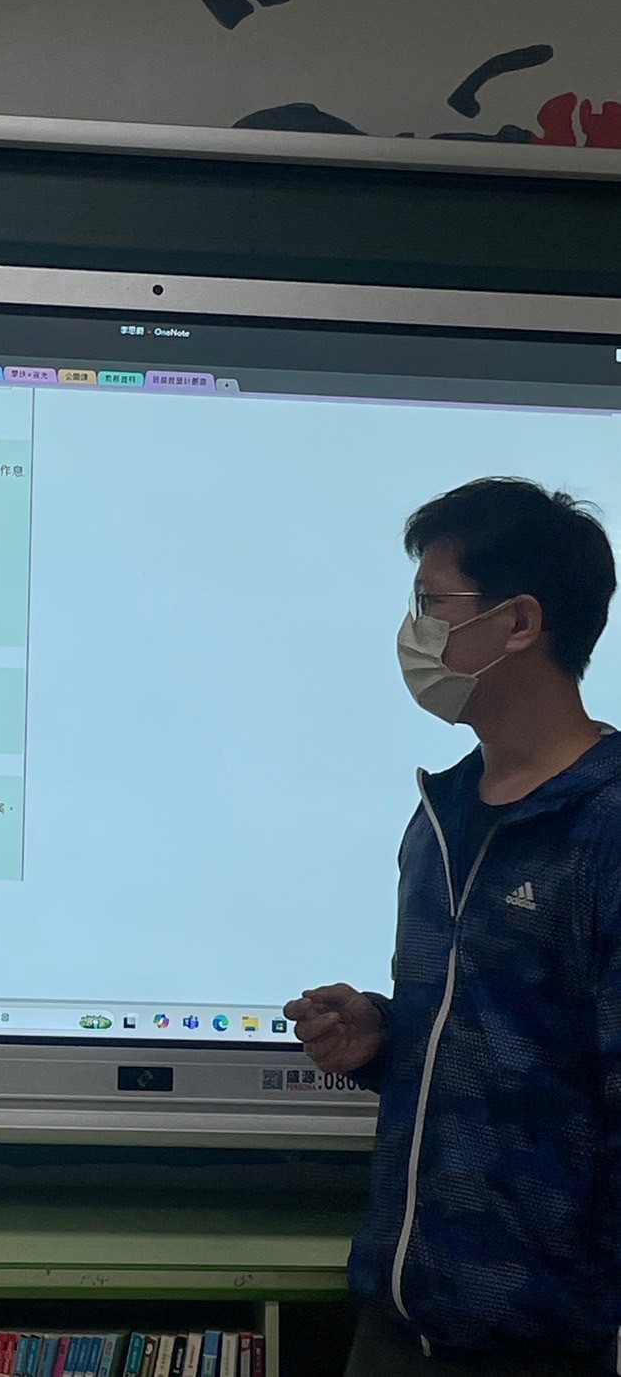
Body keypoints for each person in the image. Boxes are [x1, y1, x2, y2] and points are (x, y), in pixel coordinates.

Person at [284, 477, 621, 1375]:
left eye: (432, 604)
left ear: (519, 622)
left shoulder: (605, 826)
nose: (414, 630)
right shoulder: (441, 815)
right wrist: (386, 1038)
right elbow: (502, 1041)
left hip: (549, 1344)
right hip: (400, 1324)